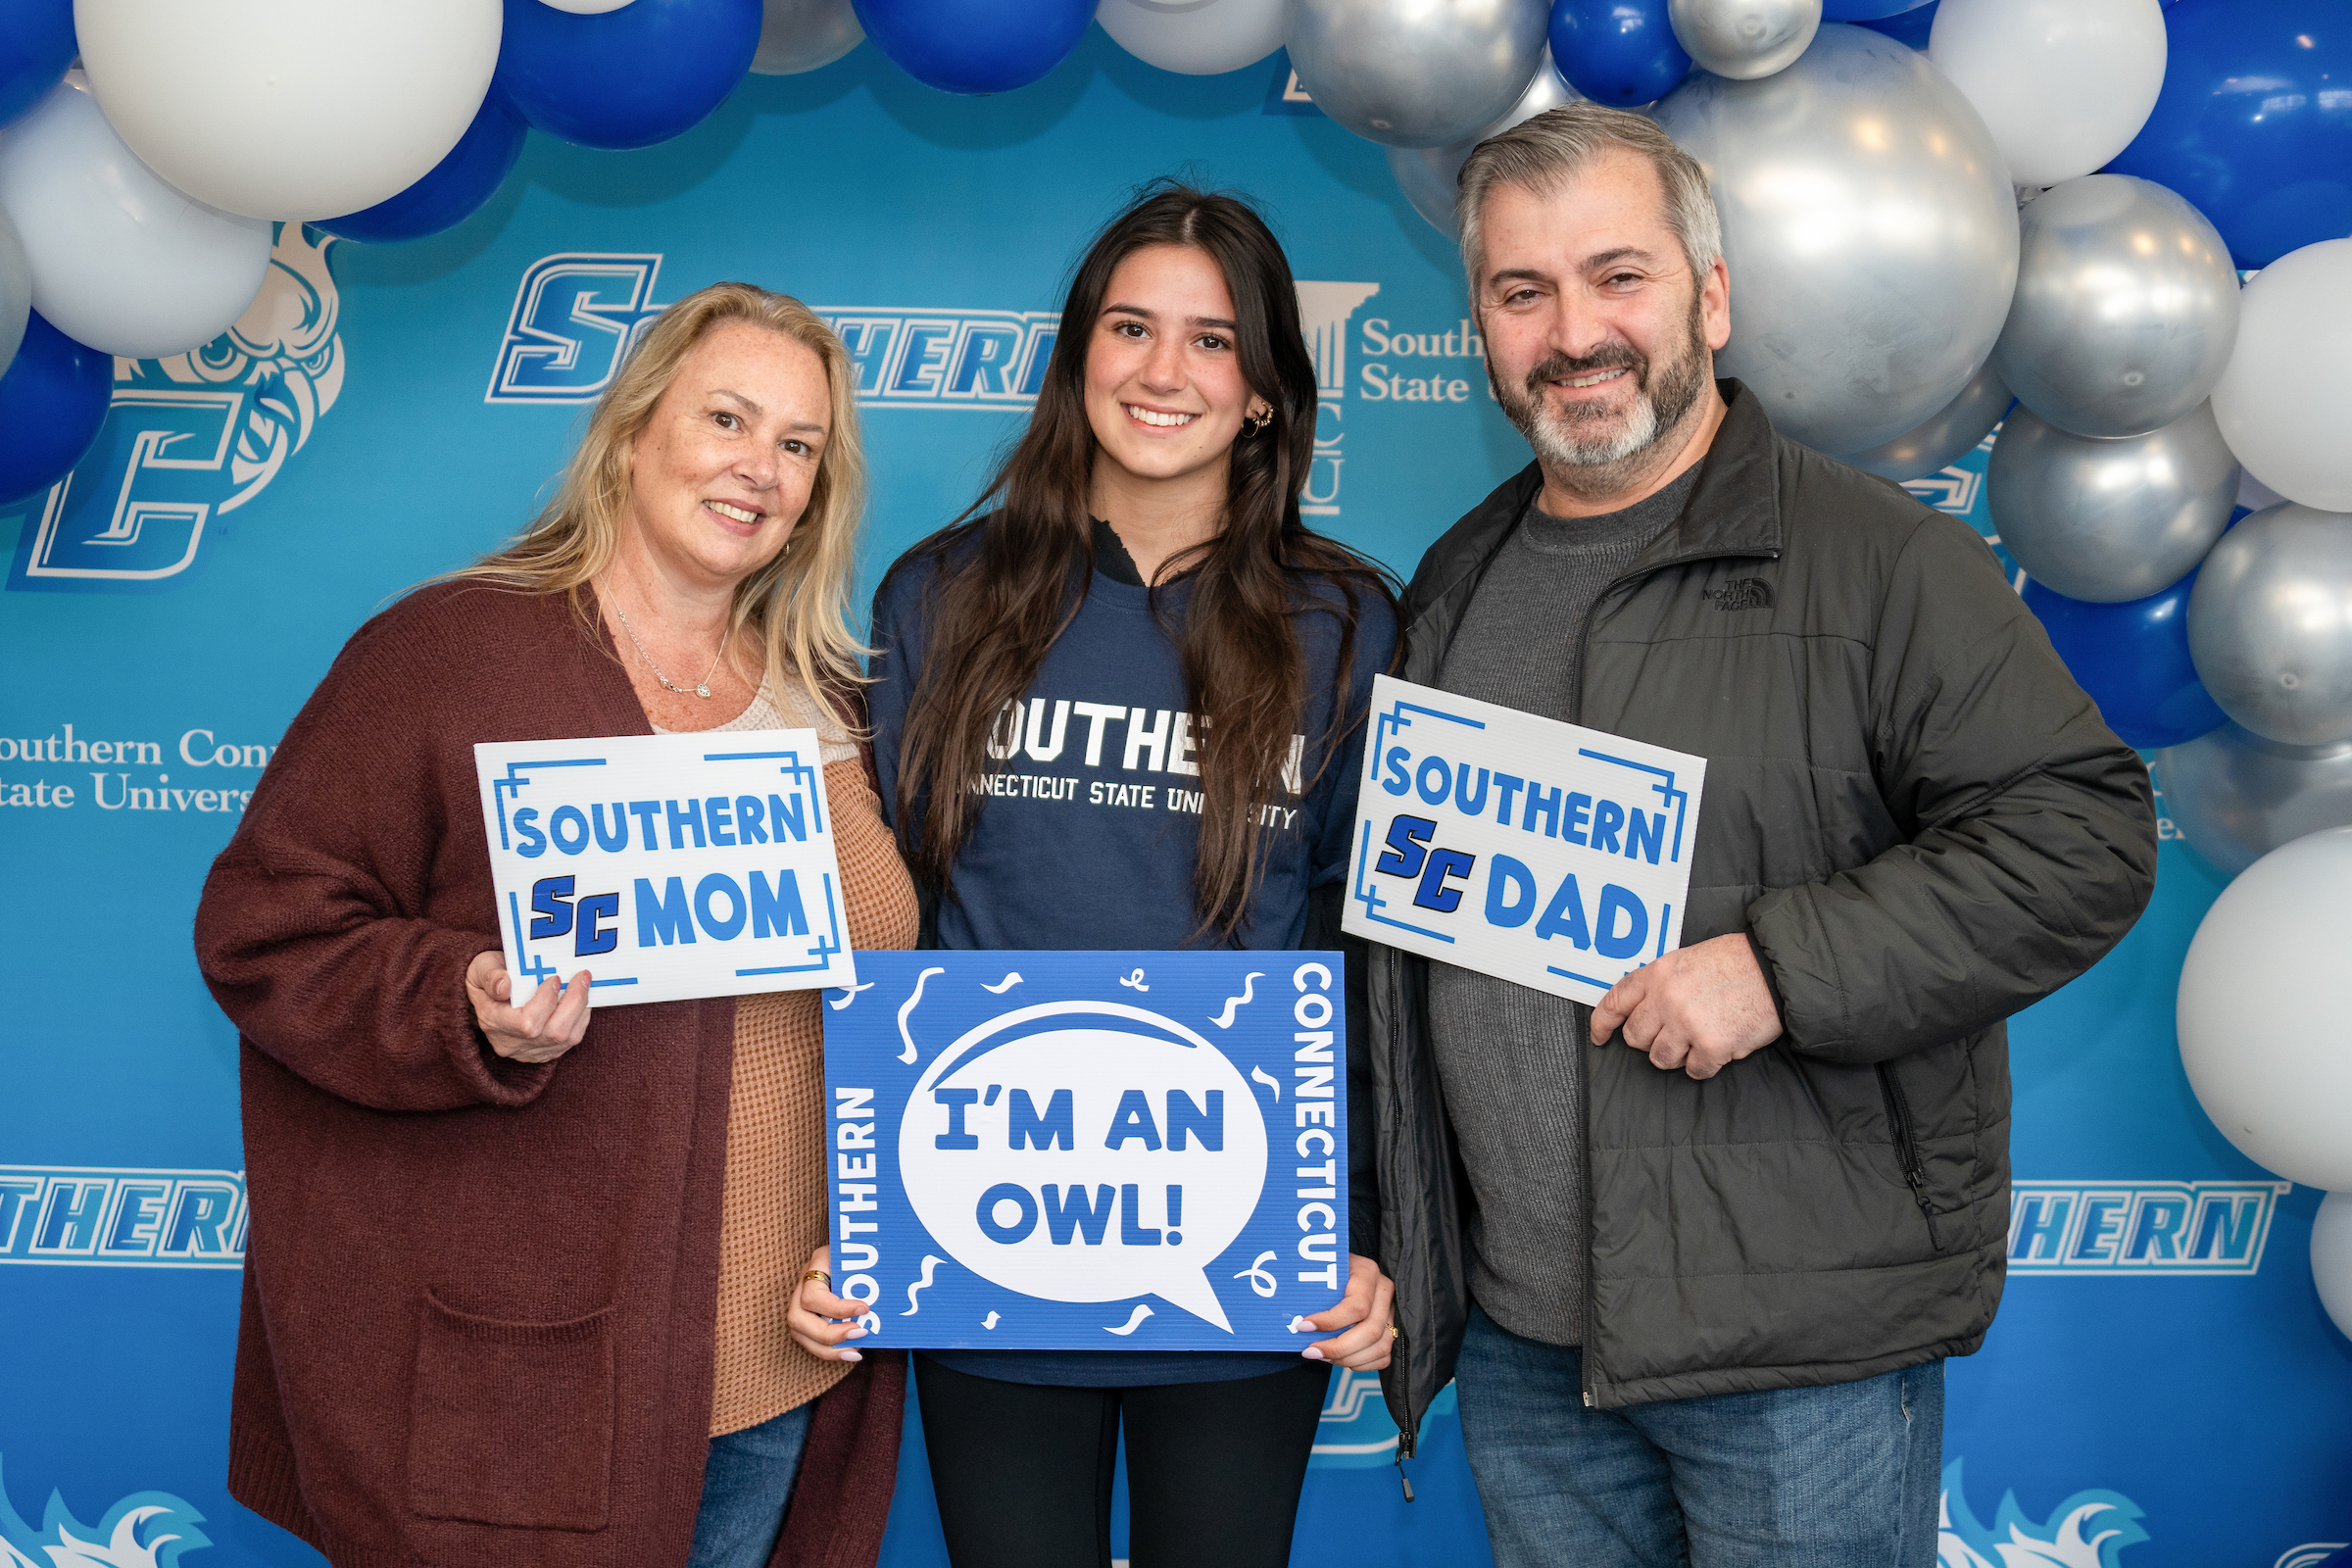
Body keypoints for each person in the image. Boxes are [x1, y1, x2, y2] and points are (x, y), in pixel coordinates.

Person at [1366, 104, 2158, 1566]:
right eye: (1521, 291)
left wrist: (1781, 970)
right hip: (1529, 1346)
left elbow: (2081, 833)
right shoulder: (1454, 583)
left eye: (1621, 276)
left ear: (1711, 297)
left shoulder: (1884, 559)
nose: (1573, 331)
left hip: (1792, 1350)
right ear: (1479, 322)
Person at [194, 282, 910, 1568]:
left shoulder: (840, 705)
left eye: (798, 446)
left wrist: (888, 1238)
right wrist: (461, 999)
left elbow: (902, 1022)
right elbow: (270, 927)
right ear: (634, 431)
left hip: (776, 1366)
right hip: (533, 1382)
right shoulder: (453, 653)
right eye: (728, 419)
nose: (760, 468)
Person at [865, 183, 1402, 1568]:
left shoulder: (1348, 622)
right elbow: (888, 928)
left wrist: (1371, 1230)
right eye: (1130, 327)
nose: (1165, 372)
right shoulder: (938, 597)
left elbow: (1372, 956)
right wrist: (853, 1215)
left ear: (1269, 392)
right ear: (1077, 356)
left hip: (1243, 1248)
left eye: (1215, 341)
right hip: (986, 1232)